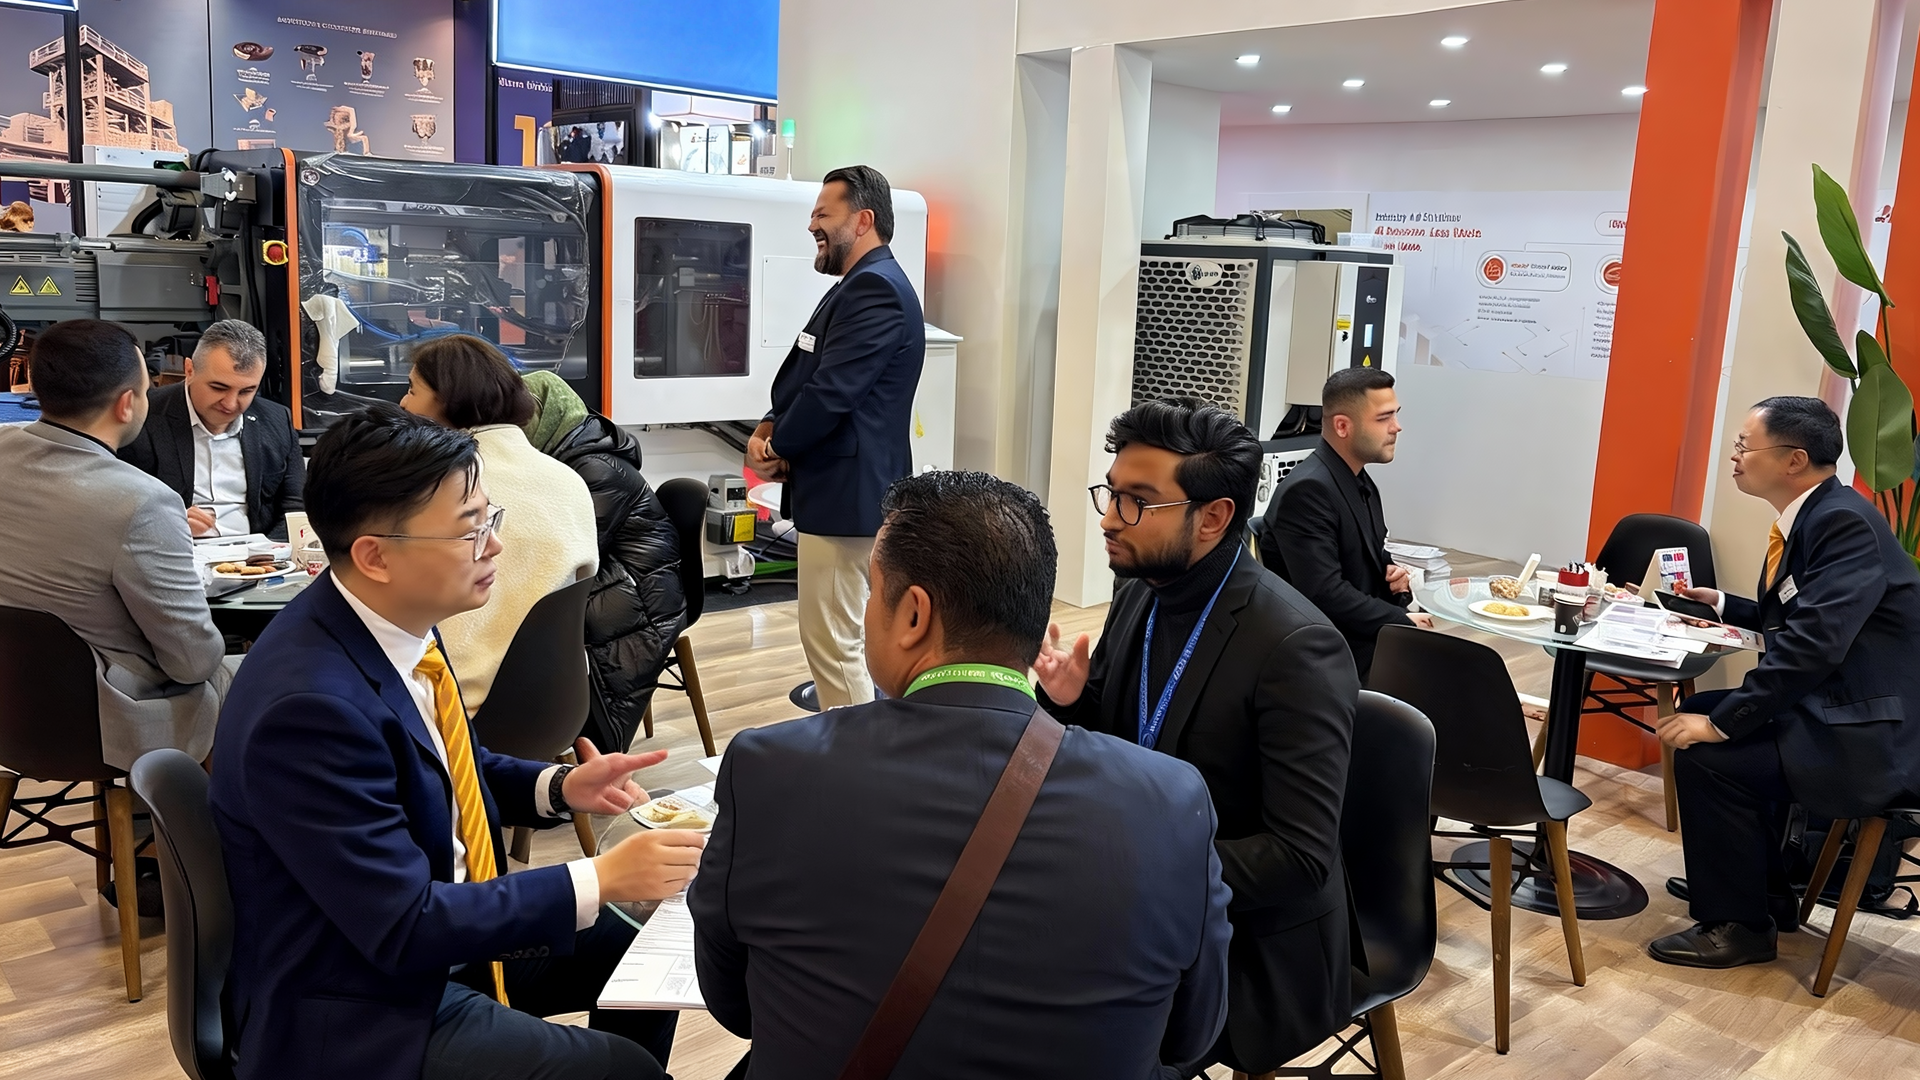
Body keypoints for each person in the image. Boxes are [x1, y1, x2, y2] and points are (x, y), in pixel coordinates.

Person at [209, 405, 706, 1080]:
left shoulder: (395, 620)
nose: (495, 545)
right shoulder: (308, 710)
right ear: (375, 555)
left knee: (644, 952)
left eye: (489, 518)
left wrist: (558, 786)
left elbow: (446, 764)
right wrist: (600, 876)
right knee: (621, 1068)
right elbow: (404, 924)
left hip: (435, 936)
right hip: (359, 1001)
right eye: (470, 529)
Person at [690, 470, 1231, 1078]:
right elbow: (1193, 1034)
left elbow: (733, 1004)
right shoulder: (1171, 800)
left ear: (913, 615)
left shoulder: (768, 769)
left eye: (872, 593)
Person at [1033, 397, 1358, 1075]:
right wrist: (1070, 701)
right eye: (1111, 493)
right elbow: (1130, 741)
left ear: (1212, 518)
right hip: (1143, 901)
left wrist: (1144, 871)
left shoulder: (1296, 647)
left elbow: (1300, 857)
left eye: (1136, 502)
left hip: (1250, 946)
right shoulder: (1143, 590)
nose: (1108, 518)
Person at [1649, 396, 1920, 968]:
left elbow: (1814, 646)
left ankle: (1739, 925)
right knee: (1712, 714)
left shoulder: (1842, 523)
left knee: (1707, 754)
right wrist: (1723, 606)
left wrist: (1720, 726)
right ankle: (1762, 894)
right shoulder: (1821, 514)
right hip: (1839, 706)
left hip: (1867, 736)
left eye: (1745, 446)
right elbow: (1805, 619)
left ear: (1794, 459)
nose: (1735, 456)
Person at [0, 318, 226, 769]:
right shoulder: (142, 502)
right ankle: (203, 815)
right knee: (267, 675)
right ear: (127, 403)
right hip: (106, 722)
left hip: (11, 708)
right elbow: (193, 663)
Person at [746, 165, 924, 709]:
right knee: (843, 638)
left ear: (863, 220)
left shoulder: (875, 289)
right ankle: (863, 743)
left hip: (847, 496)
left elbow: (831, 394)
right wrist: (770, 424)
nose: (812, 226)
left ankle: (856, 754)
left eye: (823, 214)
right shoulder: (857, 285)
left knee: (833, 642)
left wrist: (777, 447)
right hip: (845, 491)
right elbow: (811, 373)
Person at [402, 335, 597, 715]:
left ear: (449, 397)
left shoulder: (442, 483)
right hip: (561, 701)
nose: (403, 404)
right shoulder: (569, 478)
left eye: (412, 390)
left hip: (459, 705)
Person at [522, 371, 686, 754]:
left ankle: (554, 741)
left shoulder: (595, 469)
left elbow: (576, 549)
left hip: (645, 594)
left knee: (535, 627)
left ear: (546, 417)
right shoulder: (571, 459)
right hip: (627, 579)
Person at [1257, 367, 1431, 678]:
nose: (1397, 427)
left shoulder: (1358, 480)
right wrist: (1400, 621)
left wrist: (1394, 576)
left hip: (1360, 639)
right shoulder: (1308, 491)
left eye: (1396, 415)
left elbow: (1370, 557)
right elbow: (1324, 592)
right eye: (1384, 418)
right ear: (1342, 426)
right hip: (1330, 656)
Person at [120, 319, 306, 540]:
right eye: (218, 388)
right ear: (189, 370)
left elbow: (295, 509)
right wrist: (168, 525)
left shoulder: (276, 421)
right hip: (175, 549)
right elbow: (115, 505)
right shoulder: (143, 417)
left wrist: (269, 552)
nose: (230, 404)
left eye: (247, 391)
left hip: (259, 552)